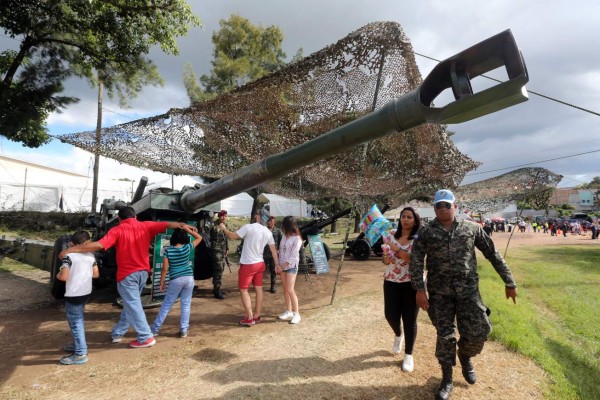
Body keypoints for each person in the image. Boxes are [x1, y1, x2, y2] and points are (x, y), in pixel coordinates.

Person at [410, 189, 517, 400]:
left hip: (469, 293)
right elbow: (415, 261)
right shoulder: (427, 232)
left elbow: (493, 255)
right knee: (445, 337)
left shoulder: (471, 229)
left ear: (454, 207)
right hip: (440, 295)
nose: (443, 209)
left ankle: (465, 355)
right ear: (434, 208)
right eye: (439, 206)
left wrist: (509, 281)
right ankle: (447, 379)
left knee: (480, 331)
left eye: (447, 205)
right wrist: (419, 290)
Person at [59, 206, 194, 348]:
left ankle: (146, 337)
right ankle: (118, 333)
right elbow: (168, 224)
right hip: (143, 273)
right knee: (130, 304)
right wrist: (184, 226)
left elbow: (99, 245)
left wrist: (72, 249)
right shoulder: (146, 225)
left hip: (127, 275)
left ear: (119, 218)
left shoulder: (117, 230)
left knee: (133, 304)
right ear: (135, 216)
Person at [219, 212, 279, 326]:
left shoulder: (248, 227)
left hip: (248, 265)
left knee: (244, 290)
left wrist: (224, 228)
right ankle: (256, 315)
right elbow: (273, 250)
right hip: (260, 264)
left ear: (258, 217)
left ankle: (250, 317)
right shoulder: (268, 232)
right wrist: (277, 265)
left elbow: (232, 236)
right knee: (259, 289)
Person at [380, 207, 421, 372]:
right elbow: (384, 259)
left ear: (415, 220)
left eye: (409, 217)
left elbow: (412, 259)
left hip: (411, 282)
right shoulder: (390, 235)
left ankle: (408, 355)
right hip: (391, 280)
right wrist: (387, 258)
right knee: (390, 315)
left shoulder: (418, 238)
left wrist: (396, 249)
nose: (405, 219)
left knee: (410, 319)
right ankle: (398, 334)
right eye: (403, 216)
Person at [151, 225, 203, 338]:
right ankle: (184, 330)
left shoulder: (168, 251)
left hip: (176, 279)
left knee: (166, 305)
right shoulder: (187, 247)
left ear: (173, 239)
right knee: (186, 304)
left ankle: (155, 329)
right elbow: (199, 238)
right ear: (184, 238)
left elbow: (164, 269)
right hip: (189, 278)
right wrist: (188, 229)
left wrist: (161, 282)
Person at [56, 231, 99, 365]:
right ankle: (77, 344)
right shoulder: (91, 256)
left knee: (75, 323)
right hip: (86, 292)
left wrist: (57, 275)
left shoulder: (68, 256)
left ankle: (80, 353)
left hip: (74, 293)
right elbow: (96, 275)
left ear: (72, 244)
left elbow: (63, 277)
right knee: (77, 320)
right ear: (87, 242)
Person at [275, 216, 303, 324]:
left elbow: (293, 256)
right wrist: (278, 265)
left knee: (290, 289)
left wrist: (282, 266)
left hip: (291, 266)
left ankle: (297, 314)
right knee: (285, 289)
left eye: (283, 224)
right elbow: (281, 251)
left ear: (287, 225)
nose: (281, 226)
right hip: (282, 266)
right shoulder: (284, 237)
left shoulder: (297, 239)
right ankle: (289, 311)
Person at [209, 210, 229, 299]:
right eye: (222, 216)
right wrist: (220, 227)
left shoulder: (225, 225)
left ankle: (217, 288)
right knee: (218, 268)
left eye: (225, 216)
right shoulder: (214, 225)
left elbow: (226, 237)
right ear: (219, 216)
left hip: (223, 250)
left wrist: (227, 248)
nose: (224, 217)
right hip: (216, 250)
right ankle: (217, 291)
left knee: (221, 269)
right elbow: (211, 235)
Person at [264, 216, 282, 293]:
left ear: (274, 222)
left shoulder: (278, 231)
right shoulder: (263, 230)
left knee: (273, 271)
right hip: (264, 254)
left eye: (271, 221)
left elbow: (282, 242)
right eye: (268, 221)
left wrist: (279, 250)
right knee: (260, 270)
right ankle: (257, 285)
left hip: (273, 255)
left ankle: (273, 286)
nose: (269, 222)